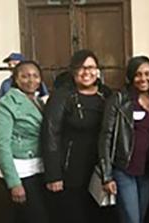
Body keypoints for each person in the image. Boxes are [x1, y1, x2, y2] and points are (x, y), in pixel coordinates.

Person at [42, 49, 112, 223]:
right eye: (81, 68)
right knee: (74, 214)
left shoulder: (108, 94)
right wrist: (53, 174)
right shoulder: (62, 95)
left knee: (100, 214)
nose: (86, 72)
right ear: (73, 71)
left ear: (98, 70)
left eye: (91, 67)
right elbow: (50, 134)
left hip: (100, 166)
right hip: (70, 168)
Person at [98, 56, 149, 223]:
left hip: (147, 171)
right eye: (138, 74)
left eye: (147, 74)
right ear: (131, 77)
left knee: (142, 216)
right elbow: (106, 136)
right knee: (132, 219)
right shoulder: (118, 100)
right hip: (124, 170)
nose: (143, 79)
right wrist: (107, 175)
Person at [0, 61, 49, 223]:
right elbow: (0, 145)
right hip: (20, 172)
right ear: (15, 79)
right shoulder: (5, 105)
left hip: (39, 168)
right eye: (24, 76)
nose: (31, 80)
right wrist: (14, 183)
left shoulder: (40, 101)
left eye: (35, 76)